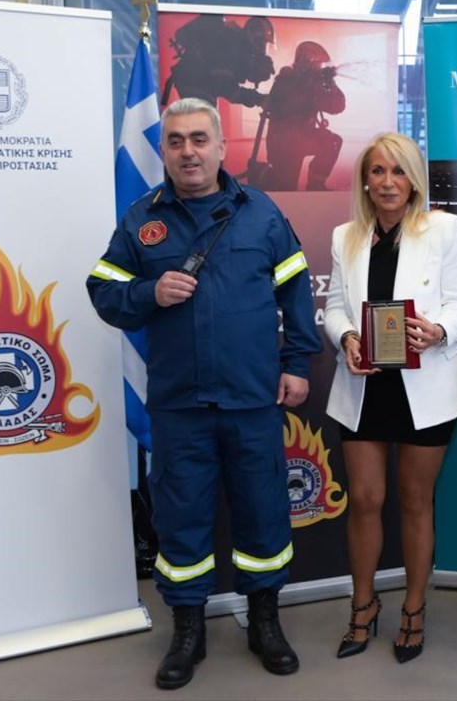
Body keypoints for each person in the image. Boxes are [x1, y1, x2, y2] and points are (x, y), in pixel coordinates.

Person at [87, 97, 322, 690]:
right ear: (163, 150)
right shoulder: (142, 219)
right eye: (175, 141)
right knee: (182, 519)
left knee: (263, 513)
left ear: (221, 147)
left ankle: (264, 623)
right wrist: (148, 293)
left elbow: (296, 292)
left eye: (198, 139)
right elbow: (103, 290)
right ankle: (187, 631)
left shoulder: (262, 213)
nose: (188, 151)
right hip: (180, 405)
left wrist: (297, 362)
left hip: (252, 399)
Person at [324, 133, 457, 664]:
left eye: (399, 171)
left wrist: (439, 331)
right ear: (365, 180)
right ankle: (362, 606)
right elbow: (334, 307)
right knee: (365, 500)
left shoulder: (443, 228)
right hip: (365, 386)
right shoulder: (345, 236)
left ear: (414, 180)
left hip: (426, 387)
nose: (388, 182)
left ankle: (414, 609)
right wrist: (346, 337)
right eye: (378, 171)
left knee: (415, 501)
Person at [263, 40, 346, 191]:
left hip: (304, 138)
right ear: (305, 62)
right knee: (286, 190)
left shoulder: (314, 83)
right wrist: (314, 85)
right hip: (284, 145)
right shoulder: (286, 79)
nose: (318, 68)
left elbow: (337, 107)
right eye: (316, 64)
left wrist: (330, 83)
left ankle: (316, 185)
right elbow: (292, 104)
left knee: (332, 142)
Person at [161, 15, 276, 109]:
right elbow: (229, 90)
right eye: (262, 43)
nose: (262, 49)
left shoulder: (239, 45)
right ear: (252, 36)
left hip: (199, 84)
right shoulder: (232, 46)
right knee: (205, 124)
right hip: (194, 84)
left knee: (209, 123)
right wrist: (259, 99)